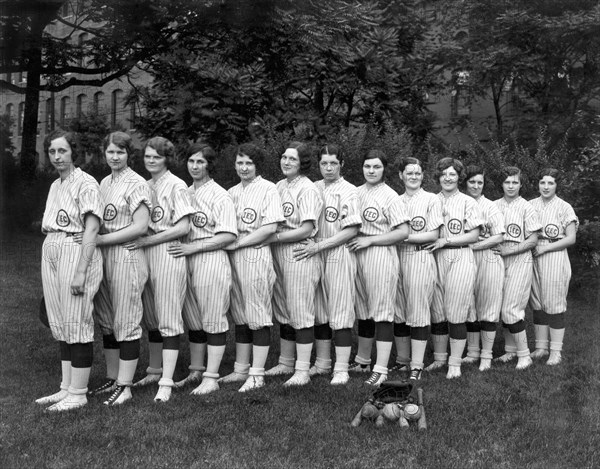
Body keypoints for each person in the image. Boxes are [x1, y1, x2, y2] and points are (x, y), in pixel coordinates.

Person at [36, 130, 104, 411]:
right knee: (61, 323)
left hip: (76, 252)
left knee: (76, 323)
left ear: (73, 151)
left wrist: (80, 272)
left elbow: (92, 227)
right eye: (52, 152)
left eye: (62, 151)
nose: (57, 157)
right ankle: (66, 388)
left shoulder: (86, 183)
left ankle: (78, 393)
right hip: (52, 246)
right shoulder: (55, 185)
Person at [86, 132, 151, 406]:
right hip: (104, 257)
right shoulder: (103, 182)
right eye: (111, 152)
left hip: (127, 255)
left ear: (129, 154)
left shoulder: (136, 183)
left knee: (126, 320)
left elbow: (140, 227)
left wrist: (100, 239)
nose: (115, 157)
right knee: (108, 321)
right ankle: (113, 379)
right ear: (105, 154)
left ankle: (125, 385)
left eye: (120, 153)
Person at [128, 137, 194, 402]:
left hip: (168, 252)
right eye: (148, 156)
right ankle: (154, 370)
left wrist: (149, 240)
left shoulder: (177, 185)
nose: (151, 160)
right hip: (145, 254)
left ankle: (166, 381)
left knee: (168, 317)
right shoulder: (143, 185)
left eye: (157, 156)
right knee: (151, 317)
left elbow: (183, 227)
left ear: (167, 158)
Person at [168, 144, 237, 395]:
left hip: (210, 259)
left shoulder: (220, 194)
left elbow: (228, 235)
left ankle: (212, 376)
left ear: (210, 165)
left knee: (213, 318)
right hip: (185, 260)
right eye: (191, 161)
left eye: (201, 162)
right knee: (194, 319)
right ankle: (196, 370)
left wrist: (193, 249)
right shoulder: (184, 192)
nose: (195, 166)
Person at [292, 144, 361, 386]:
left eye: (333, 163)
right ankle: (322, 363)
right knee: (319, 310)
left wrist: (320, 247)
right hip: (314, 252)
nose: (328, 167)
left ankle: (341, 368)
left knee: (340, 310)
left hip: (337, 251)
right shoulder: (314, 187)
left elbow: (351, 229)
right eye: (324, 163)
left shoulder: (349, 190)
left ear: (341, 163)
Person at [219, 143, 283, 392]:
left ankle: (257, 374)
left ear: (257, 166)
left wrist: (239, 244)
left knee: (258, 316)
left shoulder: (268, 189)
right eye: (240, 163)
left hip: (255, 254)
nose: (244, 168)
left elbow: (270, 228)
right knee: (240, 315)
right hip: (234, 257)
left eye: (249, 163)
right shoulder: (231, 192)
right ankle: (240, 368)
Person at [264, 141, 323, 387]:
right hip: (278, 252)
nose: (286, 162)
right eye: (284, 157)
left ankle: (302, 370)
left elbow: (307, 228)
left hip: (299, 253)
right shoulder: (278, 186)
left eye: (293, 159)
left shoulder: (307, 189)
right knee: (284, 310)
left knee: (301, 312)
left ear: (302, 164)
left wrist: (274, 237)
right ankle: (286, 361)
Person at [348, 149, 409, 387]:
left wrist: (371, 240)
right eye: (367, 166)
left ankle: (381, 368)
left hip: (379, 253)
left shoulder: (390, 196)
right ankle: (363, 360)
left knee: (382, 311)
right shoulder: (355, 193)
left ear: (384, 169)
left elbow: (403, 232)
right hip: (357, 253)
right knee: (363, 310)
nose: (371, 171)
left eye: (376, 167)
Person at [425, 157, 482, 379]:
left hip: (460, 257)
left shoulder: (468, 201)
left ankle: (455, 363)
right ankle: (440, 359)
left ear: (460, 177)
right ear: (437, 176)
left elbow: (474, 235)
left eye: (452, 174)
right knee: (437, 311)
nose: (447, 178)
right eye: (443, 174)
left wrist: (447, 241)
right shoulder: (431, 200)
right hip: (434, 257)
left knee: (457, 311)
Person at [392, 157, 443, 381]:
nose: (413, 176)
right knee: (398, 310)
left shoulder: (431, 199)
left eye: (418, 173)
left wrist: (402, 236)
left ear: (423, 176)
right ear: (401, 175)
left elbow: (433, 234)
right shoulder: (394, 199)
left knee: (419, 311)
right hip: (395, 256)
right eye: (409, 172)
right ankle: (402, 361)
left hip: (421, 255)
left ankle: (417, 364)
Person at [492, 166, 541, 370]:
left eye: (514, 182)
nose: (511, 186)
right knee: (503, 307)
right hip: (496, 259)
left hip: (519, 258)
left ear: (521, 184)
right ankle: (510, 351)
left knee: (512, 308)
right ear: (501, 184)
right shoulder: (493, 205)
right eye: (507, 182)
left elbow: (533, 240)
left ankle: (524, 355)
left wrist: (508, 252)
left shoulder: (527, 207)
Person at [529, 168, 577, 365]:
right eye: (543, 183)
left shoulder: (564, 207)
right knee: (537, 303)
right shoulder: (530, 205)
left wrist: (546, 248)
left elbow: (571, 238)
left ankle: (556, 351)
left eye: (550, 183)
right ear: (538, 184)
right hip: (533, 253)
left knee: (554, 304)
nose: (546, 187)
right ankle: (541, 347)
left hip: (554, 253)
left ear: (557, 185)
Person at [463, 165, 505, 372]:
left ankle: (487, 355)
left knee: (488, 307)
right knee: (470, 307)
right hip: (465, 259)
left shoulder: (490, 206)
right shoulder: (460, 204)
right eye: (472, 182)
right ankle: (472, 352)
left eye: (480, 182)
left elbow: (499, 235)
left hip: (487, 257)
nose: (476, 186)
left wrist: (475, 246)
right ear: (465, 183)